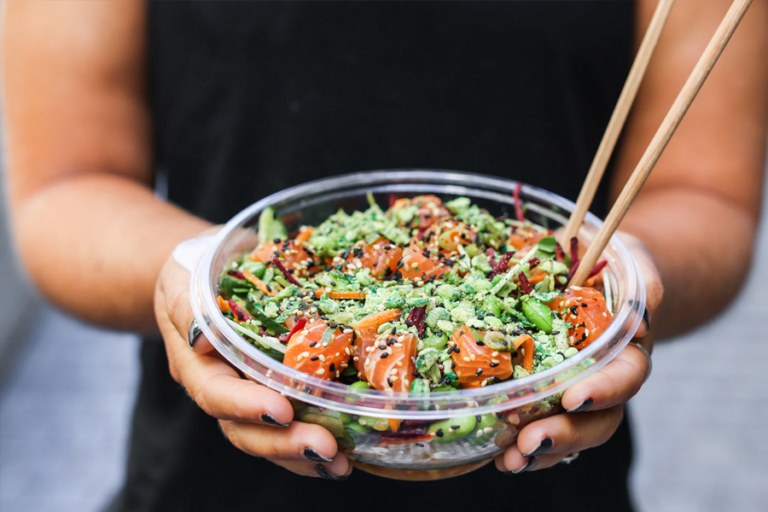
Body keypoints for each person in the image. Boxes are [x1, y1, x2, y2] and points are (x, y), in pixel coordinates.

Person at [3, 1, 766, 511]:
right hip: (209, 481)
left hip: (550, 456)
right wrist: (200, 274)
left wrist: (621, 281)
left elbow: (706, 194)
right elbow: (68, 186)